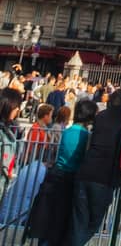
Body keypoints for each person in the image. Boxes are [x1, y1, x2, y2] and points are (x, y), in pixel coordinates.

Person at [68, 85, 121, 246]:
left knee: (78, 221)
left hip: (86, 171)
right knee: (93, 223)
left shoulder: (100, 116)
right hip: (106, 176)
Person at [26, 97, 95, 246]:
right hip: (70, 179)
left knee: (48, 219)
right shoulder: (86, 136)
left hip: (55, 174)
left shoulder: (67, 131)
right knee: (60, 222)